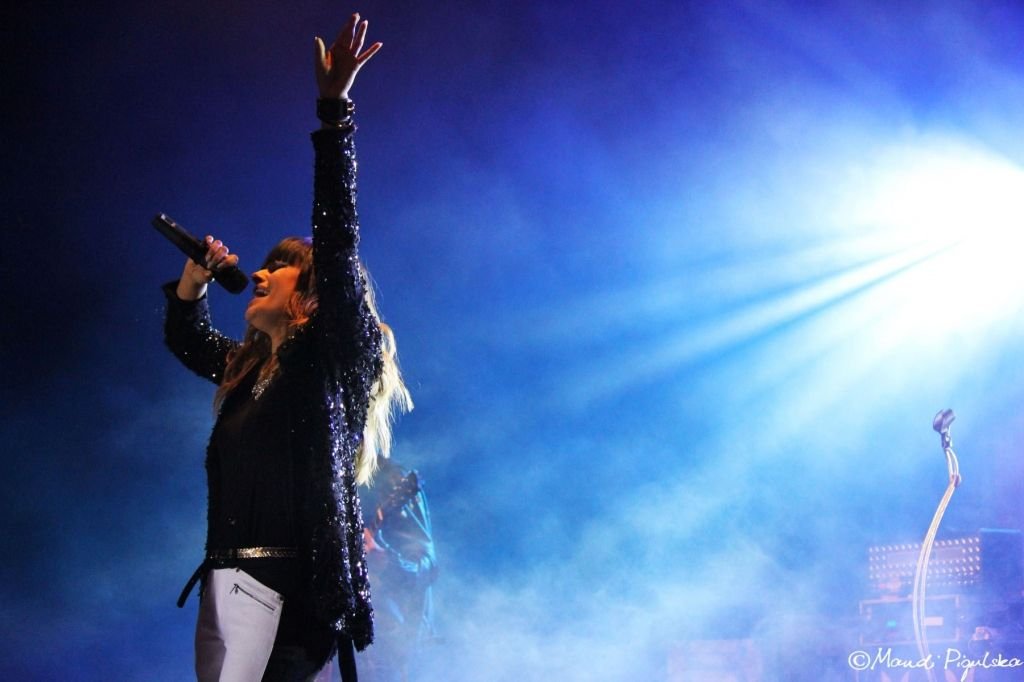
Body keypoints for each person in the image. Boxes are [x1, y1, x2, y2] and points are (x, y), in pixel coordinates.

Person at [162, 13, 411, 681]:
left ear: (316, 295)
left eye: (280, 267)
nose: (260, 273)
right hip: (227, 583)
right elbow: (188, 340)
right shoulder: (252, 371)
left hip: (292, 590)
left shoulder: (331, 360)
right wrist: (191, 286)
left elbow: (338, 240)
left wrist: (335, 116)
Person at [358, 458, 438, 682]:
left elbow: (426, 566)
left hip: (387, 642)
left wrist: (386, 560)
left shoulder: (390, 480)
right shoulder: (318, 475)